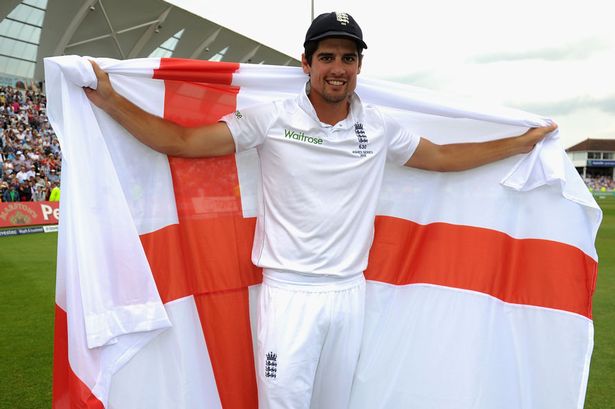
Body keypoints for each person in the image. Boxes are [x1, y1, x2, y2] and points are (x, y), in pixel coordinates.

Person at [84, 11, 556, 409]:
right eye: (326, 57)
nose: (338, 68)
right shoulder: (272, 118)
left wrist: (519, 144)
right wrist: (111, 101)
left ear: (359, 65)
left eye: (348, 58)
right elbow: (182, 143)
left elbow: (444, 158)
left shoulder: (379, 126)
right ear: (306, 62)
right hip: (290, 295)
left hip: (350, 294)